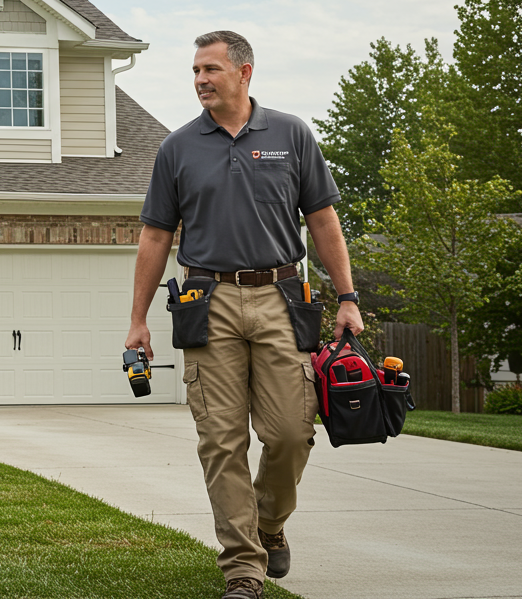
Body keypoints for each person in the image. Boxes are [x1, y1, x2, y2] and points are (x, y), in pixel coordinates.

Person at [123, 31, 364, 599]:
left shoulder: (290, 135)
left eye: (210, 69)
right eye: (195, 71)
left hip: (282, 298)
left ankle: (268, 524)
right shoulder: (177, 148)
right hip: (207, 303)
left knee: (291, 433)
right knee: (221, 441)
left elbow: (323, 221)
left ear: (244, 72)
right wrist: (137, 320)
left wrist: (348, 297)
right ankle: (243, 570)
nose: (200, 80)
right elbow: (155, 236)